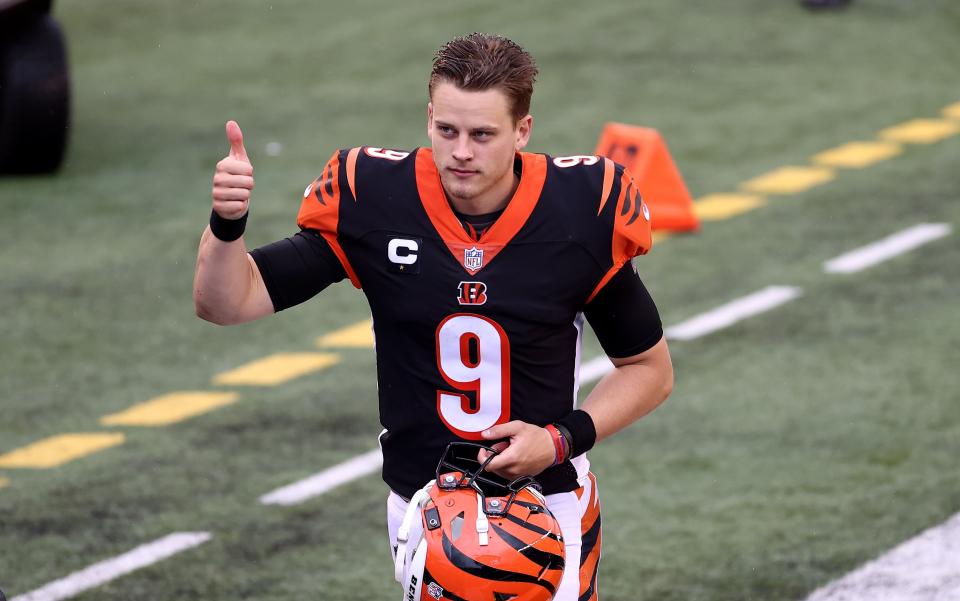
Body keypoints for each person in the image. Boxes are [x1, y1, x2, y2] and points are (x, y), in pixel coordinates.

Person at [194, 33, 673, 601]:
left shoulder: (577, 211)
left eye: (483, 135)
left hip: (543, 502)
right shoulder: (375, 197)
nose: (461, 151)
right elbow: (225, 302)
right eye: (447, 130)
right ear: (428, 119)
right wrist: (227, 222)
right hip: (421, 505)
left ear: (523, 131)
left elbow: (649, 369)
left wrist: (560, 439)